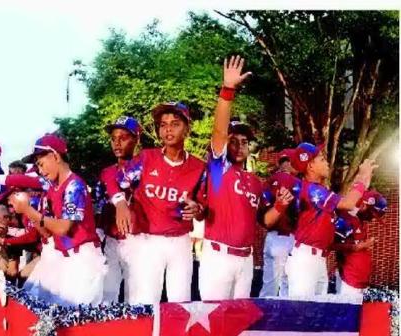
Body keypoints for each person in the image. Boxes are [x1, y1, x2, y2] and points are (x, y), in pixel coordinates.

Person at [198, 55, 293, 300]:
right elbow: (219, 130)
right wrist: (228, 90)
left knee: (236, 325)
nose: (239, 145)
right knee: (212, 321)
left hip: (246, 260)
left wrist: (281, 206)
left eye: (245, 141)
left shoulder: (254, 181)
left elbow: (266, 220)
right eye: (234, 140)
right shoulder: (219, 170)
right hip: (218, 257)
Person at [112, 102, 205, 304]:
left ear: (187, 128)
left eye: (175, 123)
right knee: (144, 302)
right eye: (163, 125)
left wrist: (197, 209)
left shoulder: (199, 167)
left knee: (180, 305)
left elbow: (203, 207)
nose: (168, 129)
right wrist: (120, 203)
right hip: (148, 241)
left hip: (180, 241)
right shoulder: (147, 158)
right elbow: (115, 179)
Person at [8, 134, 106, 306]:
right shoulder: (53, 188)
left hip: (82, 260)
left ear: (55, 156)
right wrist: (28, 212)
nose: (40, 169)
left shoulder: (74, 185)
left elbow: (63, 228)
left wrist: (28, 210)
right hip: (62, 258)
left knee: (74, 319)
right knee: (41, 306)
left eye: (41, 163)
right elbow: (47, 232)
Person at [284, 143, 378, 296]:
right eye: (321, 159)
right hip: (305, 261)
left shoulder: (319, 191)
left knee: (316, 314)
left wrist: (364, 181)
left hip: (317, 260)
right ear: (310, 166)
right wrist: (360, 178)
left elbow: (351, 205)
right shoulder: (313, 190)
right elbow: (348, 204)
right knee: (301, 314)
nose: (326, 162)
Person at [98, 116, 141, 303]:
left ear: (136, 139)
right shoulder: (107, 172)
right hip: (112, 240)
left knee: (136, 294)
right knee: (108, 292)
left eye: (123, 137)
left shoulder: (146, 167)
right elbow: (101, 207)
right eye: (113, 138)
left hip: (137, 240)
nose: (117, 142)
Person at [259, 150, 300, 297]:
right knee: (287, 288)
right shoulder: (298, 183)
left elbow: (262, 213)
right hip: (290, 238)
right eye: (286, 162)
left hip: (273, 236)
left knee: (269, 286)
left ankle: (264, 317)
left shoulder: (269, 181)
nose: (286, 165)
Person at [333, 190, 387, 299]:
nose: (372, 219)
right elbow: (332, 244)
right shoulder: (347, 219)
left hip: (358, 281)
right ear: (363, 205)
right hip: (349, 281)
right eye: (371, 214)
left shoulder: (360, 221)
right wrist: (357, 247)